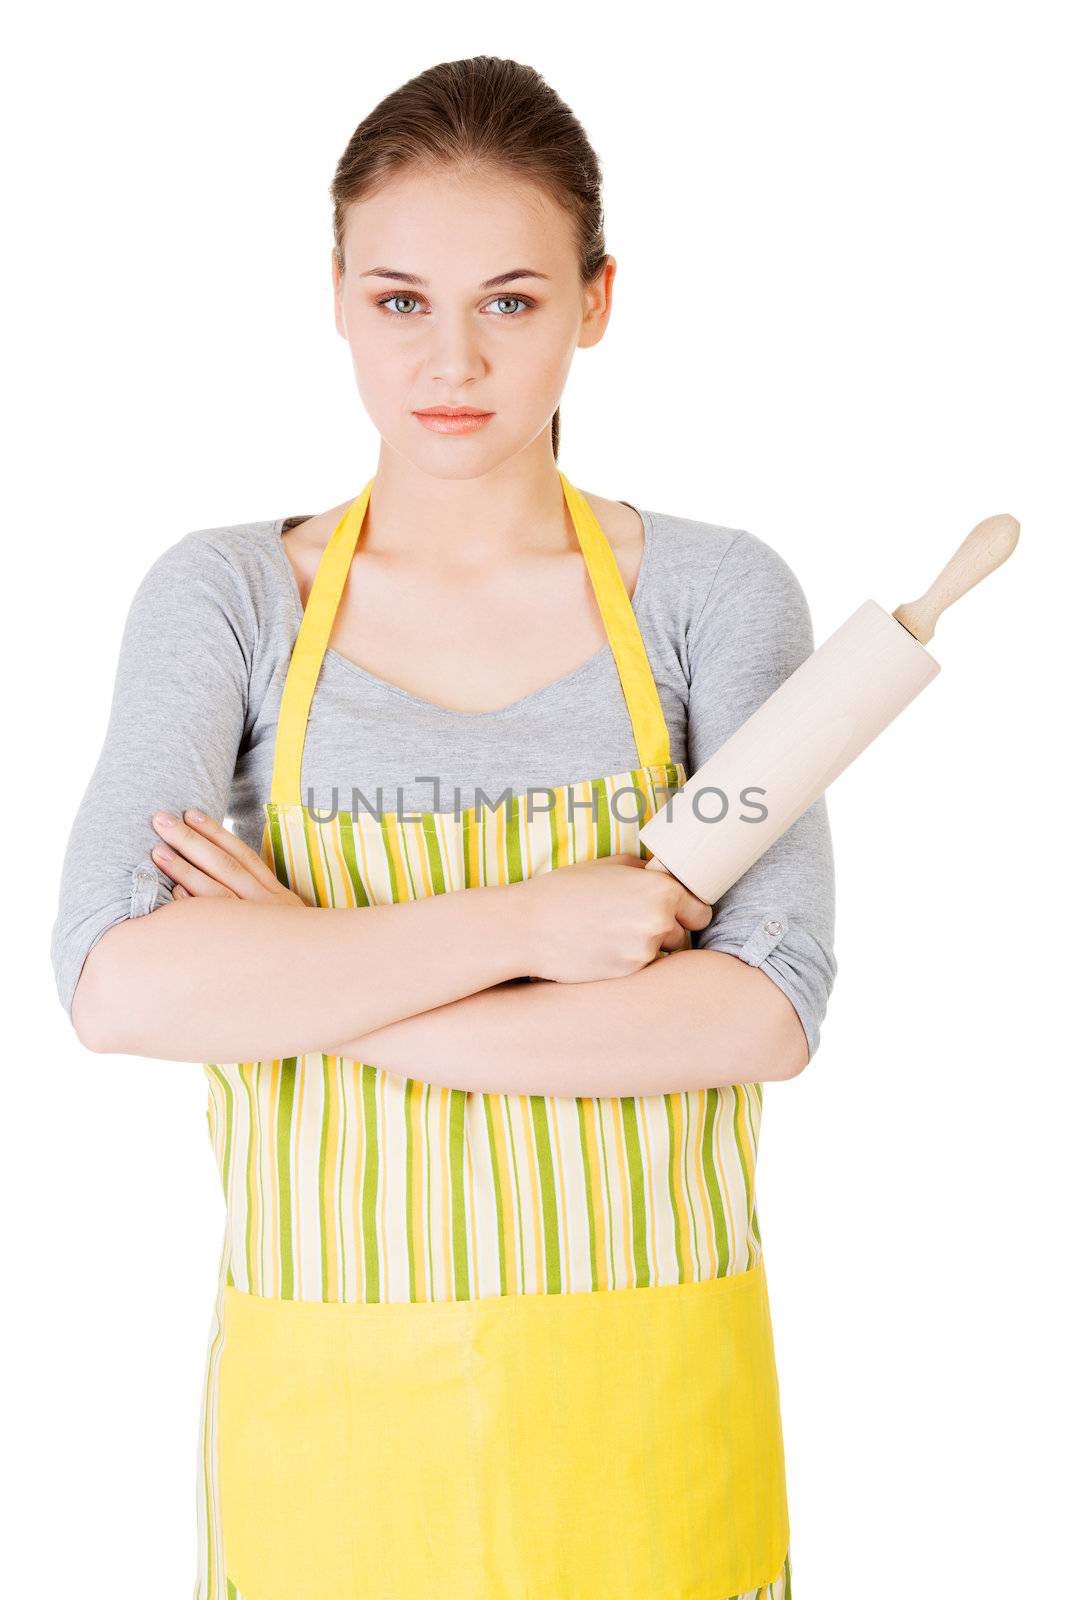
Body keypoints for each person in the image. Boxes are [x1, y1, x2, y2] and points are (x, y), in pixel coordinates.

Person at [50, 54, 836, 1600]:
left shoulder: (713, 598)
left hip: (648, 1417)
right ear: (337, 295)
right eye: (402, 300)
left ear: (596, 302)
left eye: (515, 300)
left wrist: (299, 981)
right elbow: (113, 986)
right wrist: (533, 931)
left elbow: (764, 1011)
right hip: (333, 1431)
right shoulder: (228, 598)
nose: (453, 359)